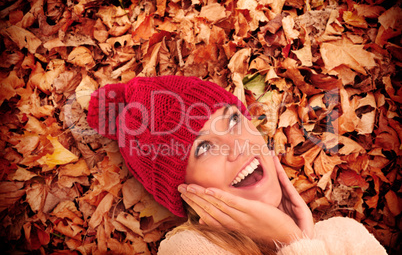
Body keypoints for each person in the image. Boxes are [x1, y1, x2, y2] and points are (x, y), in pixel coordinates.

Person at [87, 75, 387, 254]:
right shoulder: (188, 250)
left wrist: (298, 239)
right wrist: (292, 242)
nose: (237, 146)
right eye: (203, 147)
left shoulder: (347, 235)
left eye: (232, 120)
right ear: (185, 191)